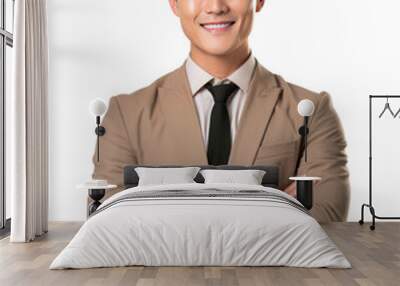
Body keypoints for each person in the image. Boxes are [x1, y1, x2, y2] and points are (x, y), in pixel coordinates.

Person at [92, 0, 350, 222]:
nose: (215, 7)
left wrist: (159, 210)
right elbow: (107, 216)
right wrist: (278, 202)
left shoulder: (311, 110)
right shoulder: (125, 114)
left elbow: (326, 214)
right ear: (174, 2)